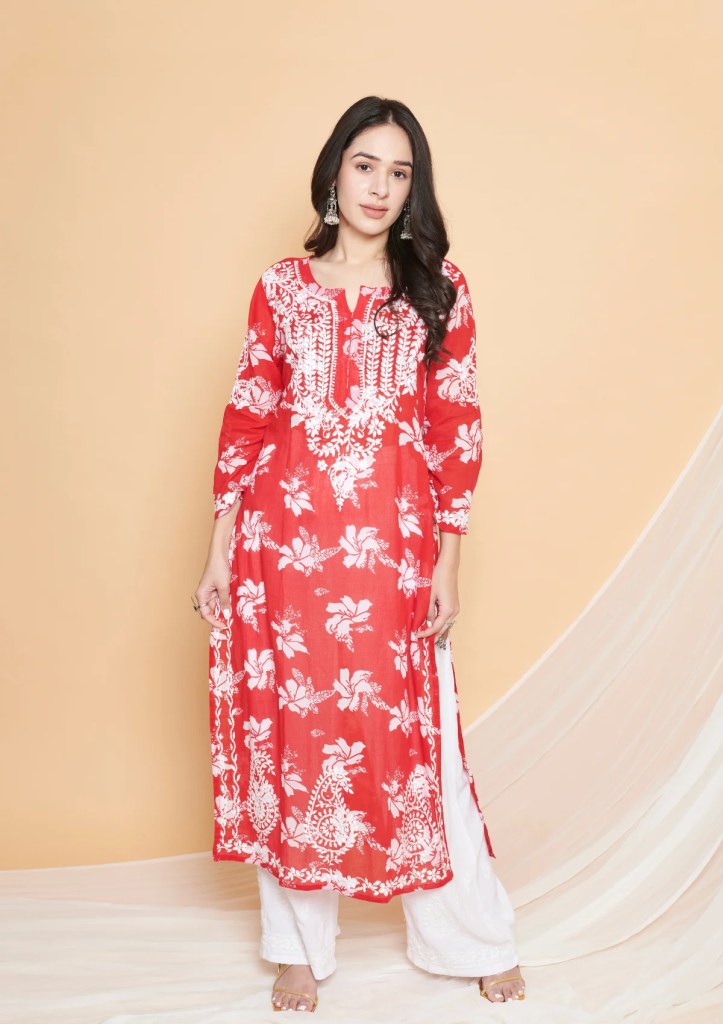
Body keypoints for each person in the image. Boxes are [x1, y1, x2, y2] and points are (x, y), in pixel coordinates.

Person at [194, 96, 526, 1013]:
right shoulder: (281, 289)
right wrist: (219, 551)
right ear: (334, 173)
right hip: (282, 549)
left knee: (418, 737)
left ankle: (471, 935)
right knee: (292, 736)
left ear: (413, 189)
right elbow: (247, 416)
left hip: (394, 548)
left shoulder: (438, 289)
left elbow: (456, 430)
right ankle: (296, 949)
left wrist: (447, 563)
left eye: (399, 172)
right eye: (365, 165)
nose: (380, 187)